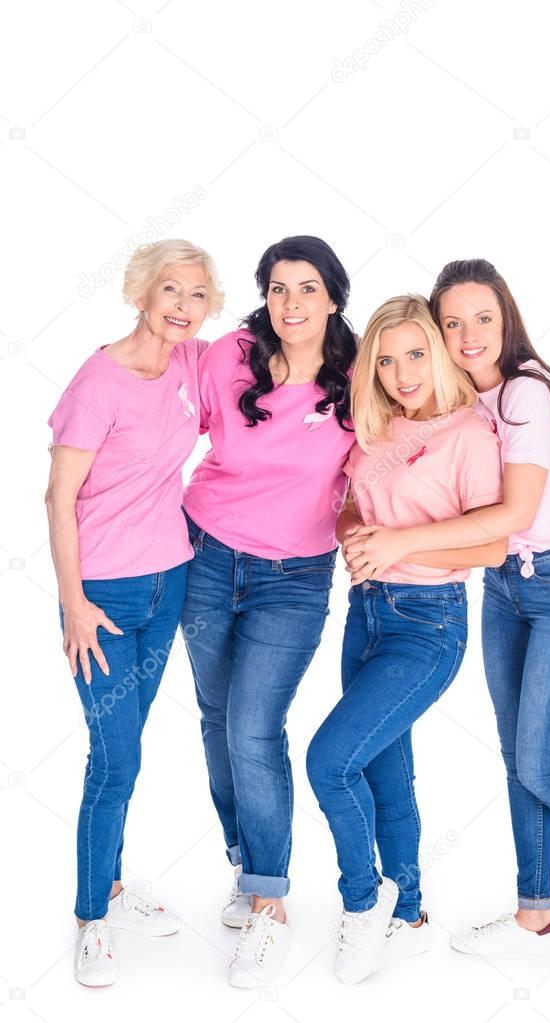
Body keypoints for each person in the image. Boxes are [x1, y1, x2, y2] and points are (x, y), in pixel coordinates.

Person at [347, 259, 550, 955]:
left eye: (482, 319)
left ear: (506, 320)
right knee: (515, 754)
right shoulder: (457, 399)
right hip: (503, 589)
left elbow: (514, 510)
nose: (468, 335)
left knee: (540, 763)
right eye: (452, 322)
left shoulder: (526, 392)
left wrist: (399, 538)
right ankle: (534, 911)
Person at [307, 295, 506, 984]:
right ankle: (410, 915)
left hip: (427, 623)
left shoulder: (470, 434)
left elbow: (494, 544)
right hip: (365, 612)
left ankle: (362, 902)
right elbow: (352, 508)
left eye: (414, 354)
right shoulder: (379, 427)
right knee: (382, 769)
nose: (401, 372)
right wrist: (355, 539)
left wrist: (397, 545)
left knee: (328, 762)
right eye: (385, 360)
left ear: (438, 352)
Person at [45, 239, 223, 986]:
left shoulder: (188, 361)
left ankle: (113, 885)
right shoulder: (97, 382)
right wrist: (74, 603)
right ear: (141, 294)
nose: (182, 307)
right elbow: (57, 499)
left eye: (196, 295)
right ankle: (91, 914)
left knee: (127, 745)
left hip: (169, 582)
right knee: (115, 759)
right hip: (106, 597)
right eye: (170, 292)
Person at [180, 235, 356, 988]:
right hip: (207, 555)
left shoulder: (358, 373)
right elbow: (163, 424)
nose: (291, 303)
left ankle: (271, 903)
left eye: (307, 288)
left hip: (295, 576)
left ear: (332, 297)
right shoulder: (231, 354)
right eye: (278, 288)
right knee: (216, 718)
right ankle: (245, 863)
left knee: (255, 725)